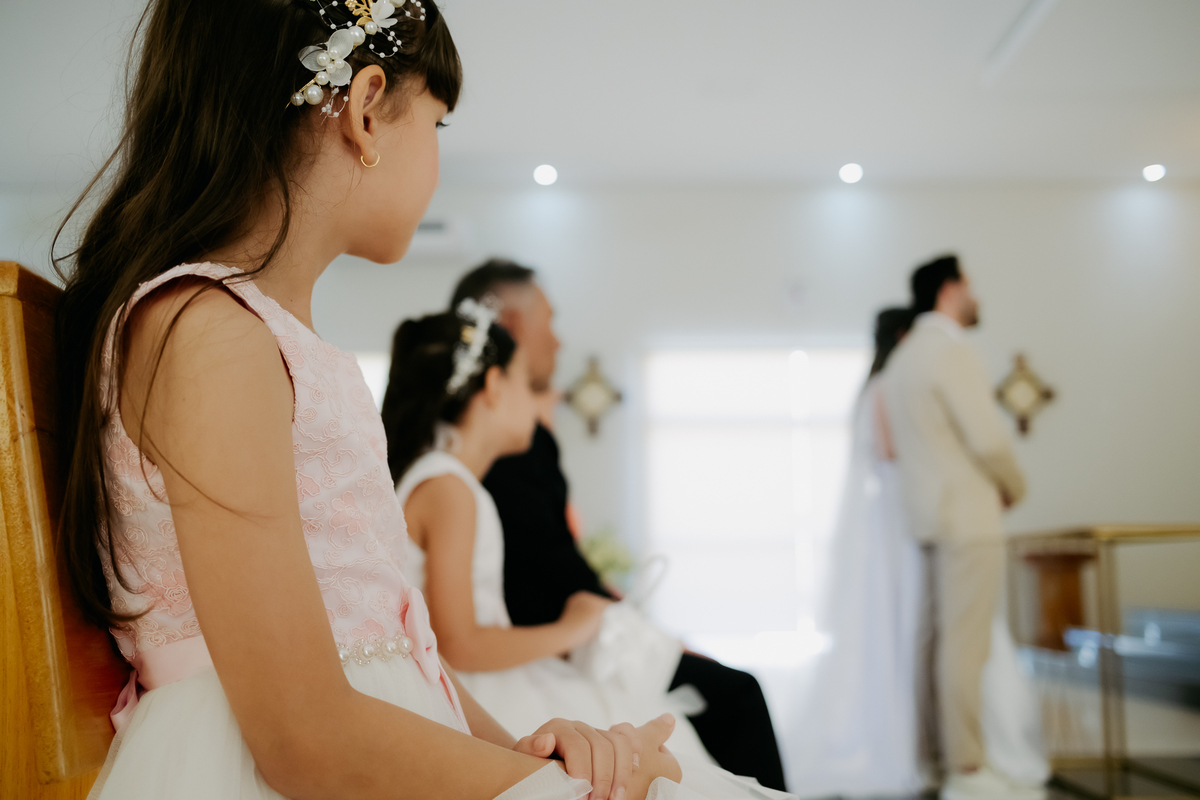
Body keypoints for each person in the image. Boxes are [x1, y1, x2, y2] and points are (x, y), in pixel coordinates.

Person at [52, 2, 687, 798]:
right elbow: (303, 736)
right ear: (365, 109)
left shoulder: (258, 337)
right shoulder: (210, 335)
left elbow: (402, 648)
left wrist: (537, 761)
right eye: (437, 123)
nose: (439, 155)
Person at [382, 308, 796, 800]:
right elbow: (458, 643)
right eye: (524, 383)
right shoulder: (449, 488)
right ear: (493, 386)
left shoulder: (443, 480)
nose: (540, 400)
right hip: (478, 686)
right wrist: (573, 628)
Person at [786, 306, 1049, 798]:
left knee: (912, 630)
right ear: (905, 336)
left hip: (900, 513)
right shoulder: (891, 385)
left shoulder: (875, 385)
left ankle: (930, 750)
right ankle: (942, 754)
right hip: (903, 516)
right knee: (920, 629)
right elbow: (891, 452)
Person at [882, 255, 1044, 800]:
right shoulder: (950, 350)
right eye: (970, 285)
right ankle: (968, 767)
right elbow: (987, 438)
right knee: (965, 647)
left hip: (928, 517)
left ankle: (933, 761)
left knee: (933, 642)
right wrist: (1015, 486)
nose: (975, 297)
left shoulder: (903, 358)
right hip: (967, 515)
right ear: (950, 289)